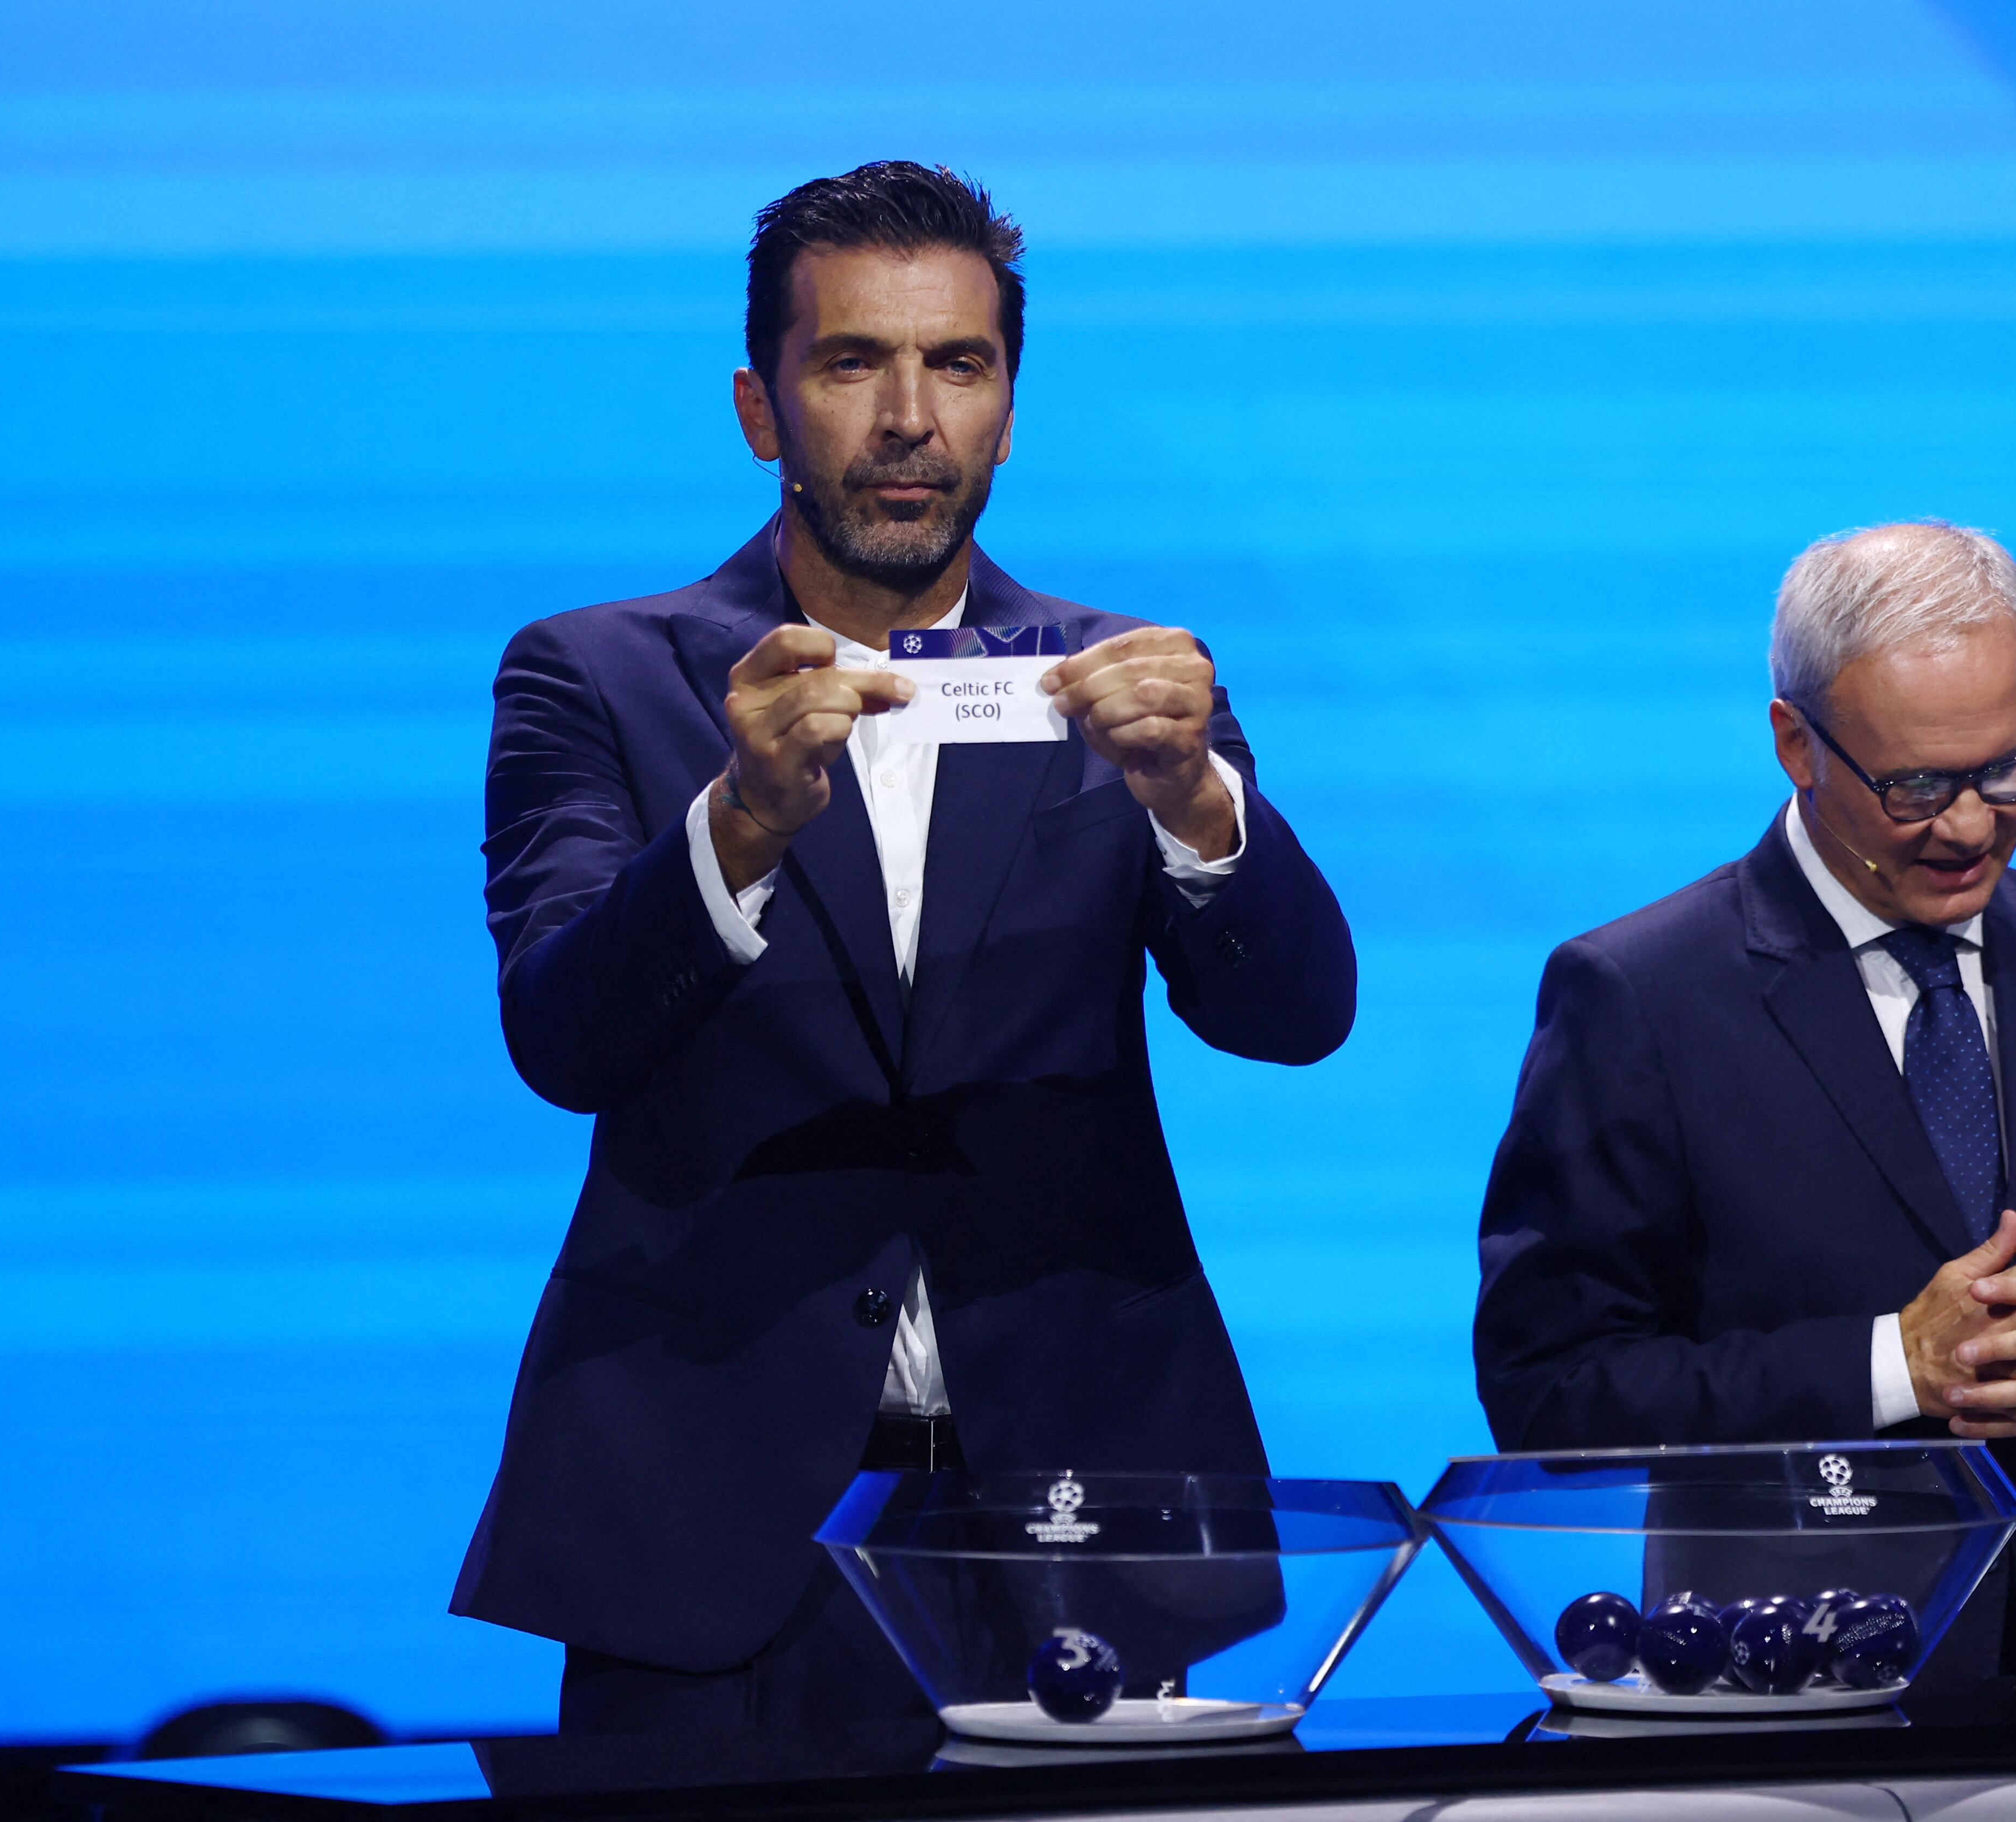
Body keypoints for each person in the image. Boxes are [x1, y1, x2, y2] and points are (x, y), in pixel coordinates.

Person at [452, 163, 1355, 1733]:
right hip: (710, 1531)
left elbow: (1297, 1015)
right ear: (760, 405)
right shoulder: (597, 676)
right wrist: (738, 823)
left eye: (959, 364)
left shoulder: (1135, 684)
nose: (909, 416)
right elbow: (562, 1033)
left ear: (1009, 407)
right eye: (852, 360)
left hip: (1079, 1514)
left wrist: (1196, 802)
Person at [1472, 522, 2016, 1677]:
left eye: (2008, 769)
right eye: (1915, 784)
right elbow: (1549, 1390)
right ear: (1795, 744)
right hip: (1767, 1681)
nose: (1966, 825)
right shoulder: (1641, 996)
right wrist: (1899, 1363)